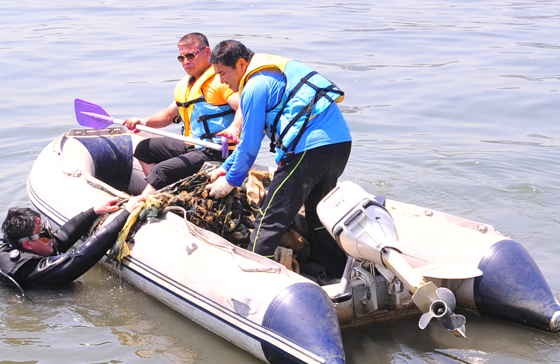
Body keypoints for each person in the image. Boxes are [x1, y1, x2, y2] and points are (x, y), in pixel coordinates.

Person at [207, 40, 352, 282]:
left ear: (241, 64)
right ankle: (336, 273)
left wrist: (229, 181)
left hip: (308, 151)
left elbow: (251, 146)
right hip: (339, 145)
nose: (221, 81)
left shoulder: (254, 86)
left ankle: (252, 281)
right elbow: (249, 140)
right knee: (318, 215)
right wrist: (225, 166)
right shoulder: (273, 72)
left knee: (268, 219)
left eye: (223, 73)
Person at [124, 32, 242, 196]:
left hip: (217, 150)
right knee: (144, 149)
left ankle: (144, 200)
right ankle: (169, 194)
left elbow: (244, 107)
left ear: (207, 52)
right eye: (181, 58)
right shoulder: (187, 86)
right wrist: (142, 122)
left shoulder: (220, 80)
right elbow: (168, 115)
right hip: (194, 145)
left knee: (161, 170)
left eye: (190, 56)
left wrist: (235, 128)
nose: (186, 62)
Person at [0, 195, 145, 288]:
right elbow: (80, 257)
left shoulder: (25, 247)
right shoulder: (31, 270)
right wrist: (126, 213)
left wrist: (94, 211)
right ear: (27, 245)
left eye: (46, 228)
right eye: (42, 234)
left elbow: (60, 238)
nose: (50, 236)